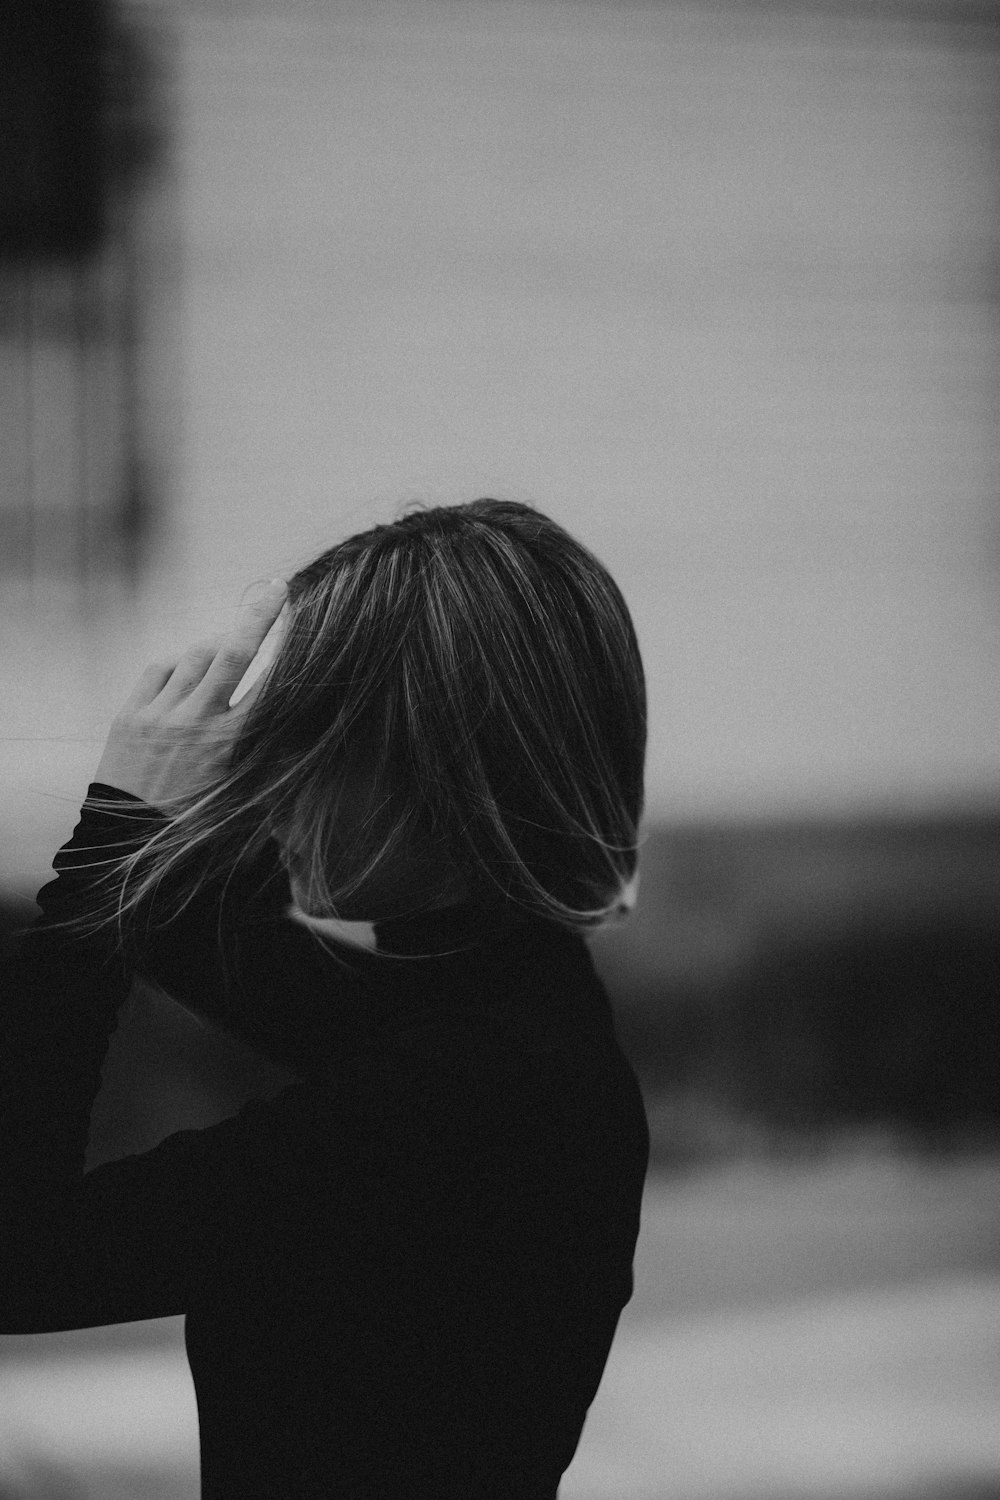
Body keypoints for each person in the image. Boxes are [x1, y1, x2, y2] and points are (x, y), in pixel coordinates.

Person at [1, 498, 649, 1499]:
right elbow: (245, 956)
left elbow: (18, 1260)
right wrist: (142, 812)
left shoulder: (463, 1097)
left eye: (306, 748)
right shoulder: (524, 1021)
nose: (268, 791)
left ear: (438, 767)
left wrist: (117, 837)